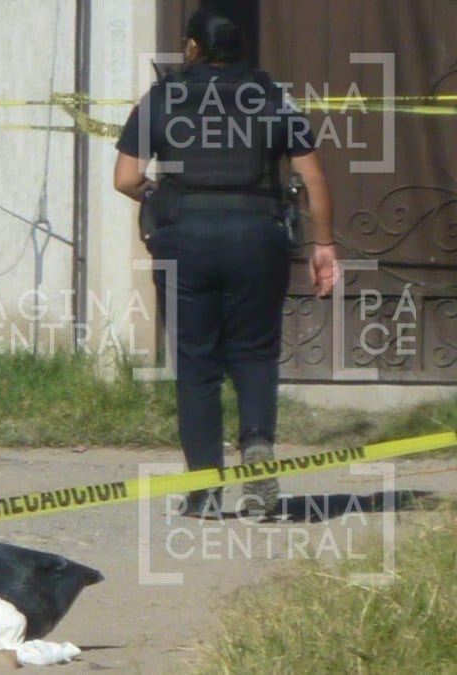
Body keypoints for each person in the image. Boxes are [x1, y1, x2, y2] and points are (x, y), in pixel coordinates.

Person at [112, 9, 336, 517]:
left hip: (184, 241)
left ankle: (205, 491)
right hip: (257, 239)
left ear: (191, 47)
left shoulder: (162, 98)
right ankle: (256, 447)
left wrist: (162, 198)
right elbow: (315, 181)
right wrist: (325, 246)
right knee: (255, 354)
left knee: (196, 364)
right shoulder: (271, 97)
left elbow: (125, 178)